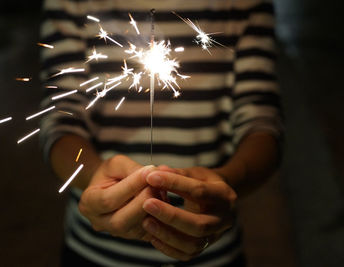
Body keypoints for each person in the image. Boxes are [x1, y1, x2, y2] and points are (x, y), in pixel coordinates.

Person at [39, 0, 283, 266]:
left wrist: (226, 180)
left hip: (212, 250)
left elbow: (261, 120)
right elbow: (60, 118)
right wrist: (95, 178)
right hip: (94, 252)